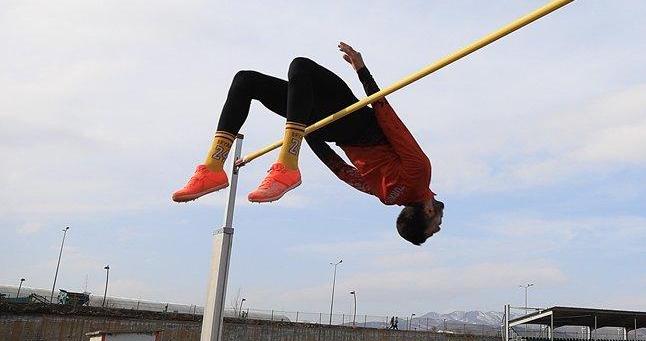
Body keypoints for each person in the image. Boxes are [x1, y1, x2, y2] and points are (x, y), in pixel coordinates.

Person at [171, 43, 444, 245]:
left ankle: (282, 164)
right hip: (330, 130)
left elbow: (389, 121)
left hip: (352, 118)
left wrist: (363, 72)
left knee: (298, 67)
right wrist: (309, 133)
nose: (439, 227)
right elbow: (341, 170)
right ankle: (214, 167)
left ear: (428, 211)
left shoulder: (420, 173)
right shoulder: (387, 197)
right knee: (247, 81)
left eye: (433, 229)